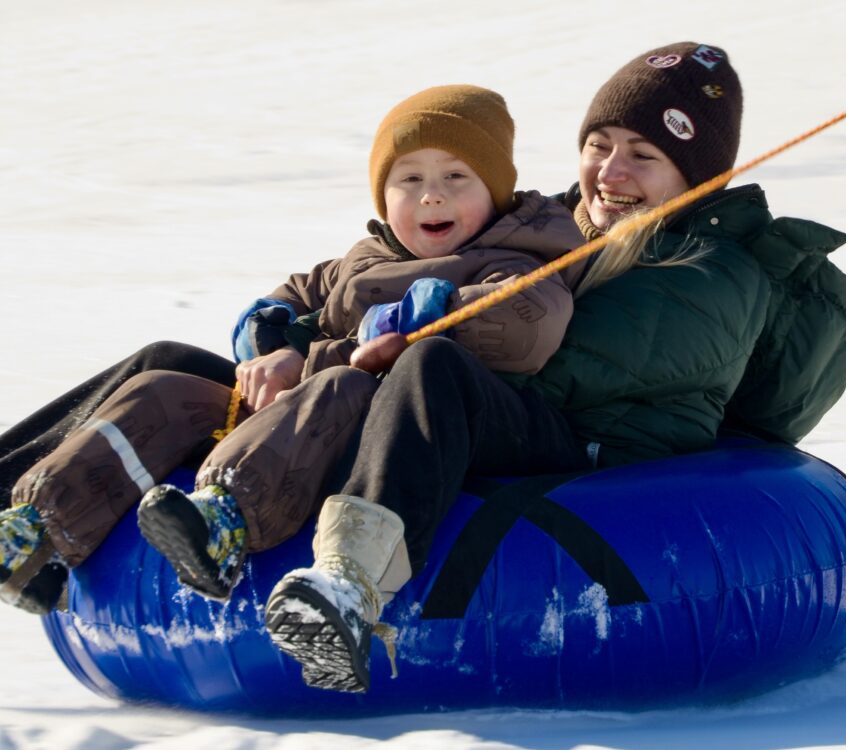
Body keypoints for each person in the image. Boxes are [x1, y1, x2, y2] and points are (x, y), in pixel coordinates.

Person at [261, 41, 846, 693]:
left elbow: (543, 368)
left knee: (435, 366)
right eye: (598, 146)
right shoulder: (560, 227)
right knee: (216, 373)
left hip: (596, 449)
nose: (611, 172)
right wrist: (291, 337)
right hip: (526, 422)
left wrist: (361, 358)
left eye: (643, 156)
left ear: (694, 176)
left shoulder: (710, 272)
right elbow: (402, 272)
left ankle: (352, 585)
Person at [0, 84, 585, 614]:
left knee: (339, 383)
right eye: (409, 179)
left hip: (393, 429)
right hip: (301, 410)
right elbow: (289, 298)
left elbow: (525, 324)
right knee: (165, 390)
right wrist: (268, 339)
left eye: (456, 177)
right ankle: (38, 526)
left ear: (495, 190)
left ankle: (226, 522)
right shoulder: (367, 256)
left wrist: (387, 329)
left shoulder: (514, 255)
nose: (431, 197)